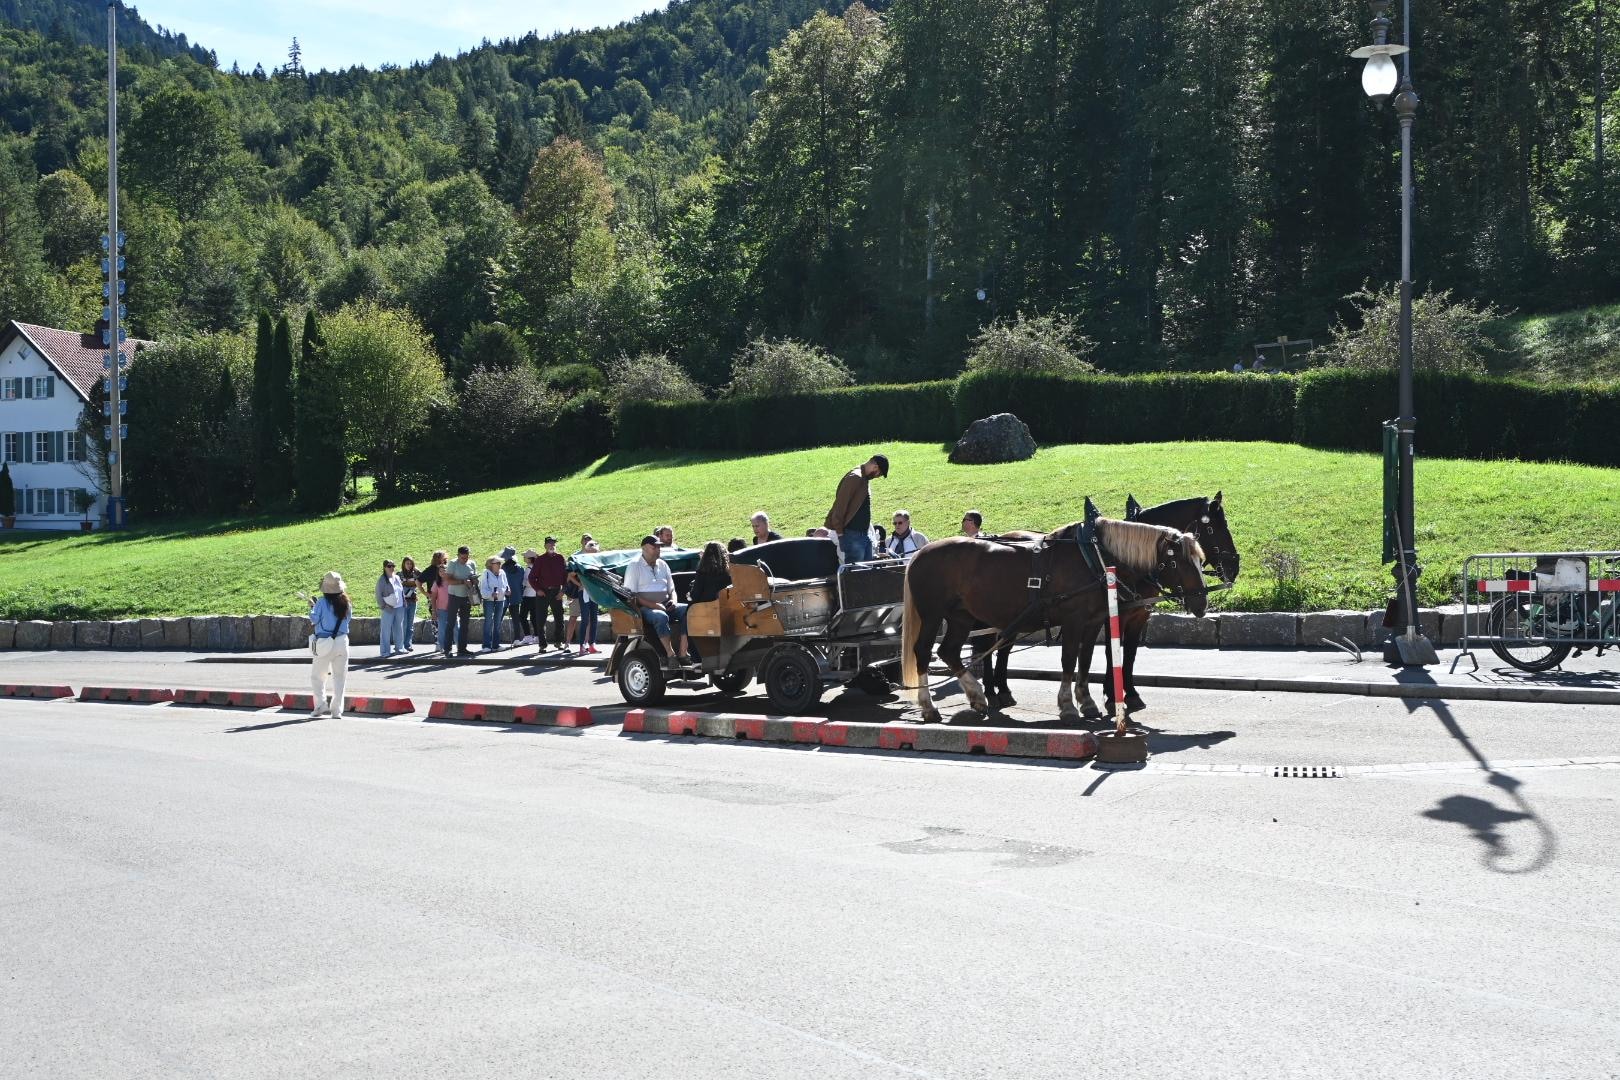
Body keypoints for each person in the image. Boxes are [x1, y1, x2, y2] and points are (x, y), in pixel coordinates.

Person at [625, 534, 687, 662]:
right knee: (660, 616)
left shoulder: (663, 564)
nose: (658, 550)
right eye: (654, 547)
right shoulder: (634, 566)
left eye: (659, 547)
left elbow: (672, 589)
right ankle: (670, 654)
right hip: (645, 608)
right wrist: (654, 605)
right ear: (644, 548)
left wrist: (673, 601)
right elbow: (633, 595)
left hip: (666, 604)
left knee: (690, 610)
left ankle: (683, 651)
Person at [824, 454, 888, 564]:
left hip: (863, 535)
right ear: (875, 467)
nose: (877, 476)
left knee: (866, 573)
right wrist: (840, 535)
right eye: (880, 474)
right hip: (852, 535)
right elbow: (839, 508)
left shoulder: (863, 478)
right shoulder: (855, 477)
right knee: (856, 575)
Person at [307, 571, 352, 719]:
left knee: (318, 676)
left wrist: (311, 607)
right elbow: (348, 619)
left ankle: (320, 704)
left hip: (324, 643)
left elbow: (314, 619)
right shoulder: (347, 603)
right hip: (342, 642)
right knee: (340, 677)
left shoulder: (320, 603)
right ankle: (337, 710)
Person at [565, 535, 602, 656]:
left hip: (595, 592)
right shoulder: (582, 561)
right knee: (585, 618)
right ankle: (582, 645)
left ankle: (592, 644)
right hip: (584, 592)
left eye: (596, 551)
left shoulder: (598, 561)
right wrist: (580, 584)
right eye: (592, 550)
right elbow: (570, 575)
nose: (594, 552)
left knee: (594, 618)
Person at [531, 535, 568, 653]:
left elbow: (566, 577)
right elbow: (532, 578)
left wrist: (563, 591)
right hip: (543, 592)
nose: (552, 545)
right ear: (545, 545)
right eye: (549, 544)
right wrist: (538, 590)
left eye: (553, 543)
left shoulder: (560, 558)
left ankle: (559, 641)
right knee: (541, 619)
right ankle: (542, 644)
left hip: (557, 591)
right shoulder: (540, 560)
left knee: (559, 617)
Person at [443, 546, 477, 657]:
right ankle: (447, 649)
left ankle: (462, 648)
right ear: (458, 555)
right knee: (451, 623)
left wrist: (474, 580)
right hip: (454, 596)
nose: (465, 560)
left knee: (465, 624)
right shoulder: (453, 563)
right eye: (463, 558)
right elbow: (448, 580)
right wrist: (463, 581)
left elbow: (474, 579)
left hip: (467, 596)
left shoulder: (472, 564)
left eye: (467, 557)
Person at [375, 559, 407, 657]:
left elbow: (401, 591)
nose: (392, 568)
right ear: (384, 567)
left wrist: (404, 602)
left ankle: (399, 647)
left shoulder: (396, 577)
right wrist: (383, 606)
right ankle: (384, 651)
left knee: (399, 628)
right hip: (388, 608)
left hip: (399, 607)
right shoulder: (381, 580)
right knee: (386, 630)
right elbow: (378, 595)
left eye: (393, 566)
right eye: (389, 566)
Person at [501, 546, 530, 646]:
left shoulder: (503, 568)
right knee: (515, 618)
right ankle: (517, 638)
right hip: (517, 595)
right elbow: (522, 582)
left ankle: (493, 638)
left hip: (504, 595)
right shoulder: (520, 568)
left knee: (499, 617)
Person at [479, 556, 509, 652]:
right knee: (488, 622)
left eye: (500, 563)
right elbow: (482, 589)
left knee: (498, 623)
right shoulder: (486, 573)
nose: (500, 565)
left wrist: (508, 590)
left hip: (501, 600)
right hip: (489, 601)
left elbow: (506, 585)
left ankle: (496, 645)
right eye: (497, 563)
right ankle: (486, 645)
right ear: (490, 564)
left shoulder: (502, 573)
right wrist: (491, 594)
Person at [420, 550, 447, 649]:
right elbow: (418, 581)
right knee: (435, 621)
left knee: (444, 622)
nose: (445, 560)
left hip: (445, 600)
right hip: (434, 599)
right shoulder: (430, 570)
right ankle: (438, 643)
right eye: (443, 558)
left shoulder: (446, 568)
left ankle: (444, 642)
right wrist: (425, 593)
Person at [519, 549, 541, 646]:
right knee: (534, 617)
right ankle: (537, 636)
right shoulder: (537, 567)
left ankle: (528, 636)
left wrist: (522, 583)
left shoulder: (528, 569)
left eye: (525, 556)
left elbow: (528, 582)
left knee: (522, 616)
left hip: (528, 595)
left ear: (529, 558)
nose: (524, 557)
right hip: (535, 595)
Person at [398, 556, 421, 651]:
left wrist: (416, 570)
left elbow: (423, 577)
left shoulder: (415, 574)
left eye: (411, 563)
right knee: (404, 624)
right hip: (403, 602)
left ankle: (408, 644)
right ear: (403, 564)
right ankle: (401, 644)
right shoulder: (399, 574)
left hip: (412, 601)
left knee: (410, 624)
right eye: (407, 563)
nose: (409, 565)